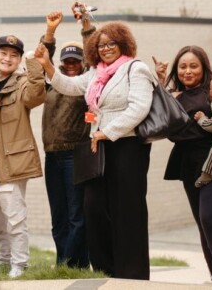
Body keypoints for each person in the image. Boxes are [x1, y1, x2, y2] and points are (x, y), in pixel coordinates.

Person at [34, 21, 154, 280]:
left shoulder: (136, 68)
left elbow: (139, 107)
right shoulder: (96, 74)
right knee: (94, 209)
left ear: (123, 44)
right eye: (100, 45)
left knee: (126, 211)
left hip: (127, 147)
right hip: (98, 149)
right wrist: (47, 66)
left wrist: (106, 131)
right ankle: (105, 270)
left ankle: (131, 274)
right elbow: (68, 86)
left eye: (111, 43)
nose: (106, 48)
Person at [153, 46, 212, 285]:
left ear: (204, 68)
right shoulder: (171, 95)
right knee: (202, 223)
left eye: (193, 66)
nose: (187, 71)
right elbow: (162, 122)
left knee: (210, 218)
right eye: (183, 66)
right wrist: (160, 82)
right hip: (187, 163)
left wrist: (187, 130)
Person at [0, 34, 45, 278]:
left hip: (11, 161)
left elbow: (36, 95)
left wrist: (33, 63)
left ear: (19, 59)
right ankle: (4, 261)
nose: (7, 58)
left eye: (14, 55)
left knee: (14, 215)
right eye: (3, 53)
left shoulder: (22, 83)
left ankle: (20, 264)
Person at [39, 8, 94, 269]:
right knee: (58, 217)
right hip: (52, 156)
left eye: (76, 62)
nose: (71, 65)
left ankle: (72, 265)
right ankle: (64, 263)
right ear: (61, 63)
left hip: (75, 155)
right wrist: (50, 31)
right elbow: (42, 57)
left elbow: (94, 56)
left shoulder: (87, 83)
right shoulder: (50, 82)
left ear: (83, 63)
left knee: (76, 215)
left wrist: (86, 24)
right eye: (67, 62)